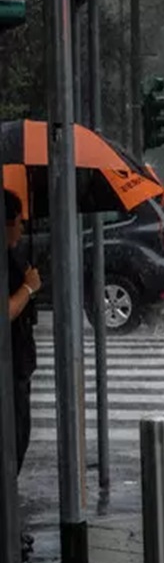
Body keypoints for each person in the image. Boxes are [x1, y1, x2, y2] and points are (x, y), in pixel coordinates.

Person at [6, 189, 39, 474]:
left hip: (19, 367)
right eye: (17, 221)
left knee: (19, 439)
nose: (21, 227)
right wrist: (28, 288)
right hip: (10, 370)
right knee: (13, 442)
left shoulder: (12, 256)